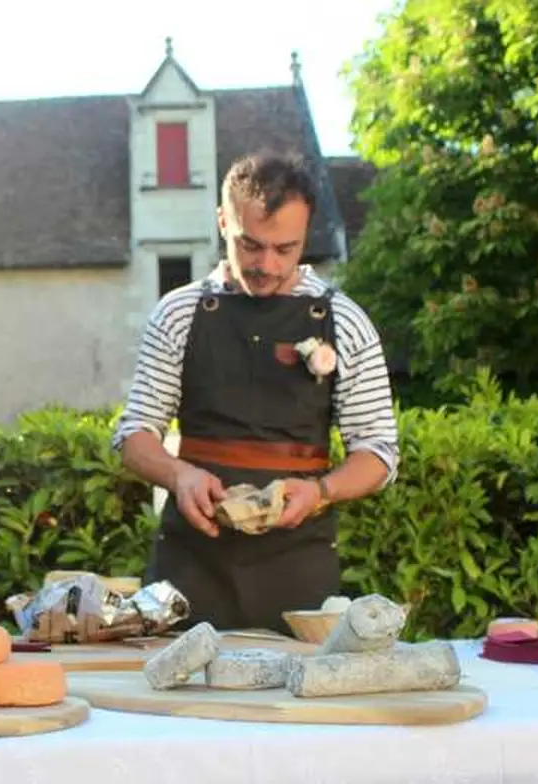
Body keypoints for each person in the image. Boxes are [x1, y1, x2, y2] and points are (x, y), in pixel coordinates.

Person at [111, 149, 400, 636]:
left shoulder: (344, 320)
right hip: (190, 568)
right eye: (251, 245)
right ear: (223, 221)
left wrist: (321, 491)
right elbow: (134, 434)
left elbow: (379, 454)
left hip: (299, 570)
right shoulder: (178, 313)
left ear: (305, 235)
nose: (267, 264)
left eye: (286, 249)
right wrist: (180, 476)